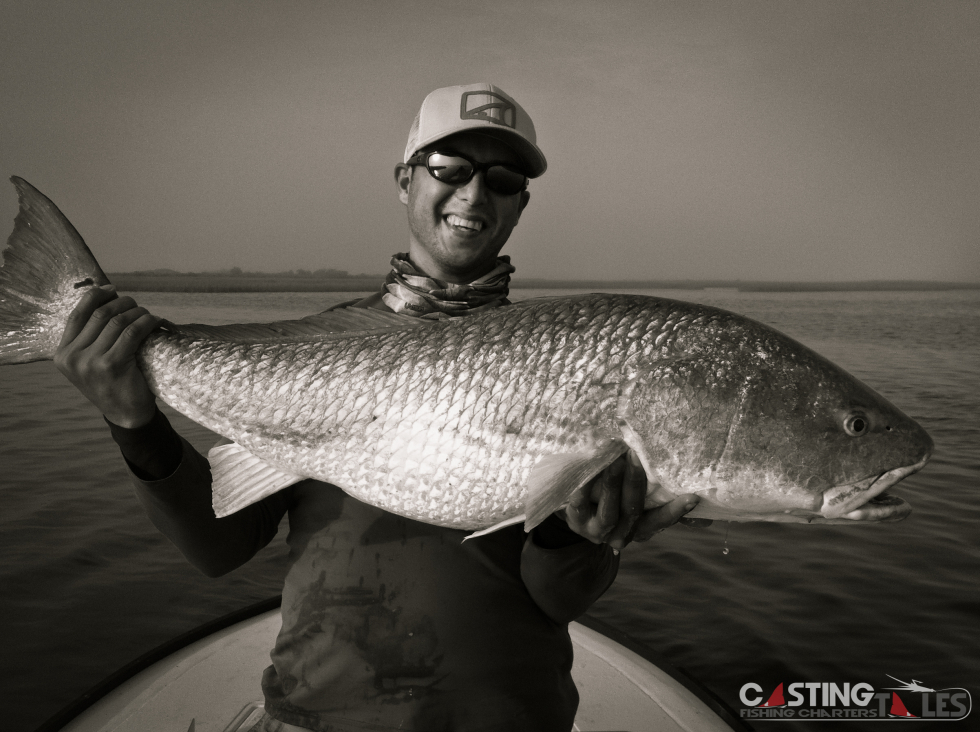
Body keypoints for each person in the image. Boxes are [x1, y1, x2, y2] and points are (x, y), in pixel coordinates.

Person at [54, 83, 705, 732]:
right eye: (449, 168)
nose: (474, 194)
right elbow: (220, 547)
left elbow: (556, 598)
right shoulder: (319, 352)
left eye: (501, 178)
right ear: (405, 181)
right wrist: (135, 425)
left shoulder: (576, 361)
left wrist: (575, 530)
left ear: (520, 205)